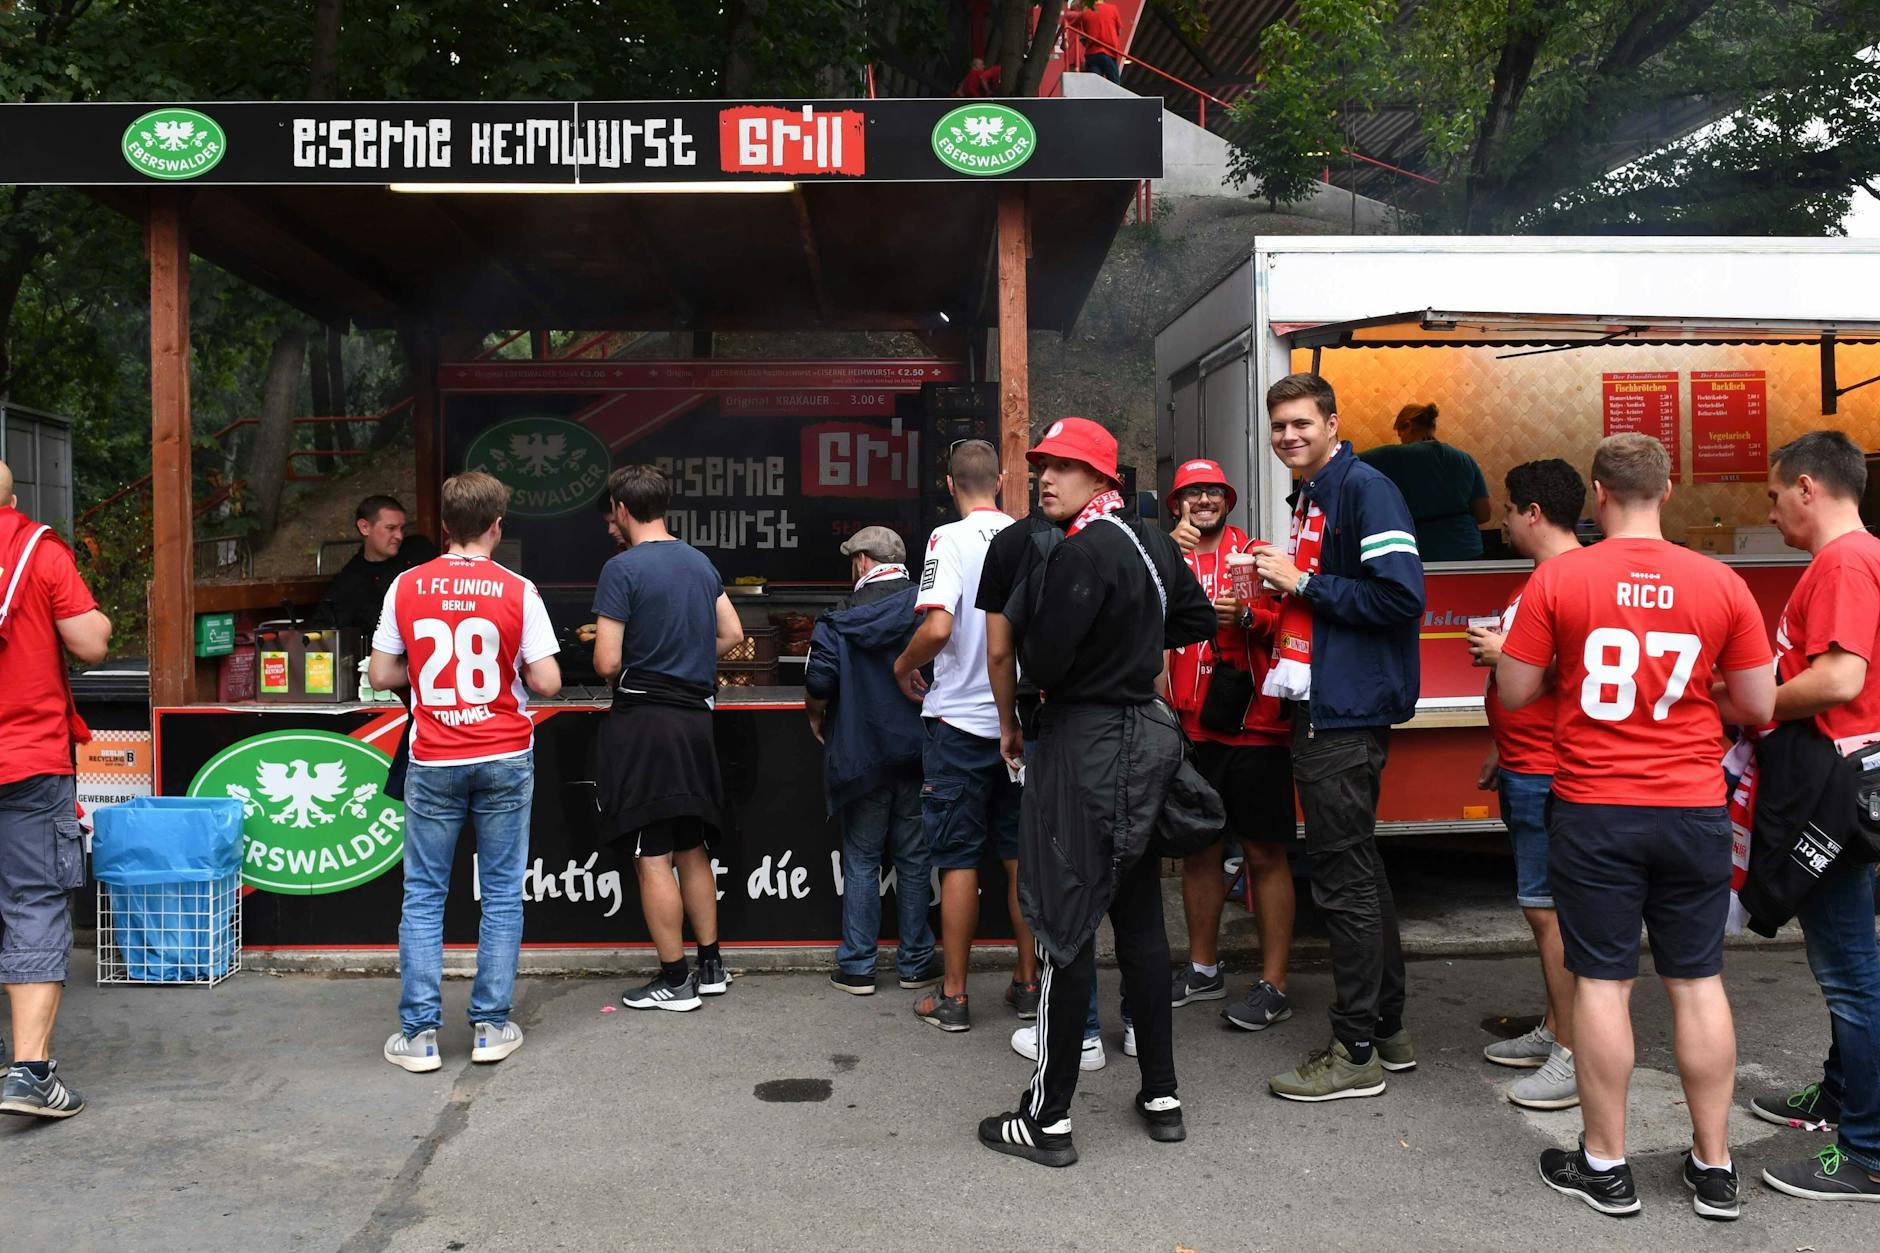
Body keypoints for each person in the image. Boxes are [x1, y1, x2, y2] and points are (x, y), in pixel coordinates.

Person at [1497, 432, 1774, 1220]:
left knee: (1604, 982)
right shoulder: (1721, 582)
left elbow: (1515, 689)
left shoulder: (1559, 577)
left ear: (1598, 493)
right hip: (1692, 806)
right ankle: (1715, 1167)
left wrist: (1569, 664)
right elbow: (1758, 704)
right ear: (1669, 487)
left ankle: (1607, 1165)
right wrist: (1691, 690)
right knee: (1697, 981)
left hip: (1595, 807)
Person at [977, 417, 1216, 1167]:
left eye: (1065, 467)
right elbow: (1195, 617)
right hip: (1145, 738)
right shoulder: (1151, 542)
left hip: (1085, 747)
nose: (1046, 478)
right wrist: (1131, 645)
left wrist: (1074, 656)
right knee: (1140, 921)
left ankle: (1046, 1120)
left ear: (1103, 478)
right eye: (1042, 465)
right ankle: (1162, 1095)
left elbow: (1043, 662)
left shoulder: (1079, 552)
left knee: (1063, 925)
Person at [1254, 373, 1424, 1103]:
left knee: (1343, 881)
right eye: (1279, 425)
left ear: (1332, 423)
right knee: (1360, 873)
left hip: (1345, 713)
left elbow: (1400, 595)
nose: (1289, 435)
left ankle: (1354, 1052)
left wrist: (1301, 582)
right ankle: (1386, 1029)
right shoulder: (1316, 493)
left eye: (1301, 422)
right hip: (1327, 704)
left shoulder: (1365, 488)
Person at [369, 471, 561, 1073]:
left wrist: (425, 675)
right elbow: (547, 681)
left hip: (434, 757)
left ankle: (419, 1036)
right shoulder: (519, 590)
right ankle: (491, 1027)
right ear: (497, 527)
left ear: (445, 525)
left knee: (424, 895)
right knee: (501, 894)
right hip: (504, 753)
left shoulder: (405, 584)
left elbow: (381, 674)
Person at [1743, 431, 1880, 1203]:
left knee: (1850, 974)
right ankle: (1840, 1094)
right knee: (1849, 965)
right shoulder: (1860, 557)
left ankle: (1869, 1149)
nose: (1771, 511)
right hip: (1847, 783)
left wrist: (1750, 701)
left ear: (1806, 487)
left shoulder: (1844, 561)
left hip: (1831, 790)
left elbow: (1838, 678)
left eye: (1773, 495)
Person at [592, 464, 746, 1012]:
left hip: (646, 723)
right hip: (695, 721)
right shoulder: (699, 562)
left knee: (652, 853)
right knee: (691, 845)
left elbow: (606, 660)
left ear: (622, 509)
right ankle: (711, 966)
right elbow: (734, 632)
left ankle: (675, 980)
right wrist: (690, 656)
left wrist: (648, 658)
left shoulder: (621, 569)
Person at [895, 440, 1032, 1032]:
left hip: (957, 723)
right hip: (1017, 723)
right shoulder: (1029, 537)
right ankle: (1029, 983)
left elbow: (937, 626)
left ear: (949, 485)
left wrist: (902, 666)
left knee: (956, 859)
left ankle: (953, 996)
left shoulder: (946, 539)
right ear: (1000, 481)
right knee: (1020, 858)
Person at [1162, 458, 1298, 1032]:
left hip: (1256, 728)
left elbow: (1292, 627)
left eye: (1213, 491)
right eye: (1192, 492)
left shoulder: (1257, 555)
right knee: (1199, 852)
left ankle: (1274, 983)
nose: (1203, 500)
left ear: (1228, 500)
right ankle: (1202, 969)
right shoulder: (1162, 557)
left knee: (1265, 854)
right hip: (1191, 730)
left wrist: (1249, 619)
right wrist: (1161, 561)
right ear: (1176, 503)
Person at [1467, 459, 1585, 1111]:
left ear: (1533, 513)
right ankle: (1555, 1027)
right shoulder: (1544, 577)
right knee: (1544, 909)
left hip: (1549, 767)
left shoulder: (1571, 576)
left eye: (1510, 510)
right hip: (1525, 760)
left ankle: (1572, 1051)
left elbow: (1581, 663)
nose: (1505, 521)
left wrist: (1505, 654)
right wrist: (1499, 746)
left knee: (1549, 912)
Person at [0, 459, 110, 1119]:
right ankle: (30, 1073)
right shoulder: (36, 551)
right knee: (33, 900)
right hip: (27, 759)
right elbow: (91, 643)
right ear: (13, 500)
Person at [804, 526, 937, 996]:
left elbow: (820, 680)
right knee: (915, 858)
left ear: (862, 561)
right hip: (919, 753)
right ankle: (916, 963)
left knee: (862, 860)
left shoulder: (839, 616)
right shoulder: (930, 608)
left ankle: (859, 966)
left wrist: (816, 716)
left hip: (862, 758)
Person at [1359, 403, 1491, 562]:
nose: (1402, 441)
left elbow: (1350, 461)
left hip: (1424, 552)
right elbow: (1484, 514)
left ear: (1409, 426)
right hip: (1467, 550)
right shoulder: (1465, 459)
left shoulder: (1394, 456)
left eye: (1401, 435)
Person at [313, 495, 438, 629]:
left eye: (402, 529)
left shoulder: (419, 550)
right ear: (364, 527)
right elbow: (322, 627)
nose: (399, 536)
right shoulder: (350, 580)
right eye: (390, 528)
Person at [1067, 0, 1124, 82]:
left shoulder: (1085, 13)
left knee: (1095, 85)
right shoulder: (1112, 9)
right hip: (1109, 52)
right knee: (1114, 84)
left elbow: (1075, 27)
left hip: (1091, 54)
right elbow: (1119, 31)